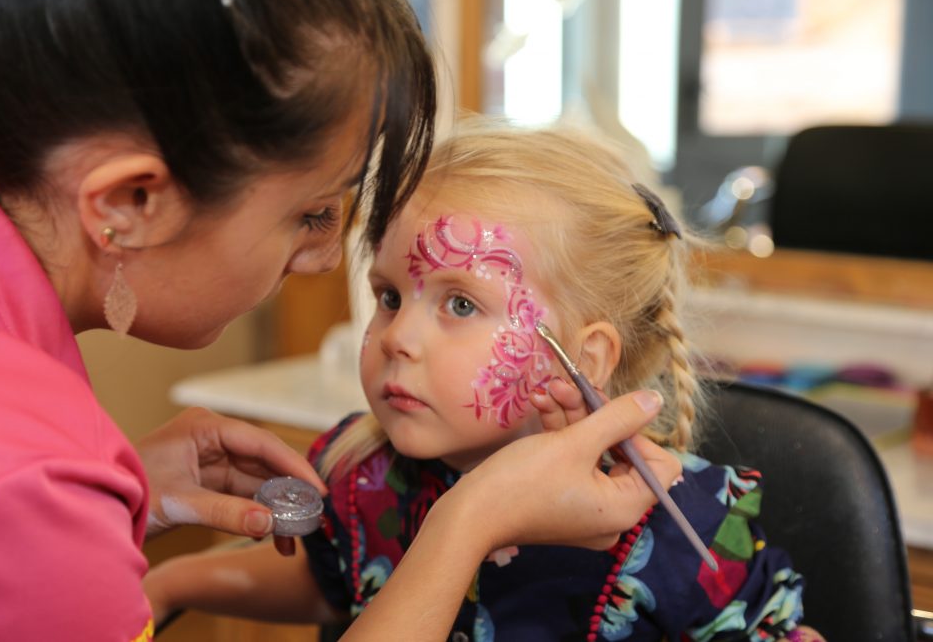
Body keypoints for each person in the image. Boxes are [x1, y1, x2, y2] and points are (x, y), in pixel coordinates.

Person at [0, 0, 681, 641]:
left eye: (460, 303)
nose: (317, 262)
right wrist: (466, 525)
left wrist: (105, 489)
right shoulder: (13, 486)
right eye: (310, 214)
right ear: (131, 200)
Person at [143, 122, 827, 641]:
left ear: (582, 358)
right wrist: (171, 580)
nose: (399, 337)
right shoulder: (366, 472)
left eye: (461, 304)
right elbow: (335, 583)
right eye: (388, 295)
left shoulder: (679, 530)